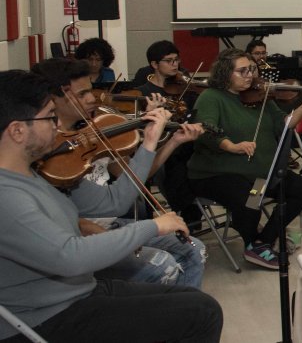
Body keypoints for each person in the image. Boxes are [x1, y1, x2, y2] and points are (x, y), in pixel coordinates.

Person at [0, 71, 223, 343]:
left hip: (78, 292)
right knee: (203, 313)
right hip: (45, 318)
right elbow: (71, 257)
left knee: (192, 298)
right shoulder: (6, 195)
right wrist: (152, 225)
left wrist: (150, 142)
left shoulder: (38, 172)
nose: (58, 125)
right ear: (17, 130)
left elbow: (115, 201)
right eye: (49, 117)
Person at [30, 58, 207, 289]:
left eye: (91, 91)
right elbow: (112, 202)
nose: (92, 99)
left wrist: (172, 141)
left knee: (195, 249)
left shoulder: (95, 129)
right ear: (55, 99)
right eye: (82, 94)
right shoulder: (45, 151)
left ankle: (182, 313)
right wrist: (149, 141)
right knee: (162, 265)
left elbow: (134, 178)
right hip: (83, 235)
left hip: (111, 223)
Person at [187, 48, 302, 270]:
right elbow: (205, 130)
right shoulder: (212, 97)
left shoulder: (261, 97)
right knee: (251, 200)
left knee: (299, 189)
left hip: (258, 174)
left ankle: (262, 242)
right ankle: (255, 243)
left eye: (252, 69)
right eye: (242, 71)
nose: (250, 75)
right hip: (219, 173)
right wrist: (232, 146)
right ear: (225, 73)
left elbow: (286, 125)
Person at [136, 41, 201, 228]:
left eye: (177, 60)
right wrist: (149, 113)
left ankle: (190, 213)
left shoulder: (186, 88)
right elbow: (139, 130)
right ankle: (186, 212)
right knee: (174, 164)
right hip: (161, 148)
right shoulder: (144, 92)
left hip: (187, 144)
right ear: (154, 65)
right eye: (169, 61)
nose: (175, 65)